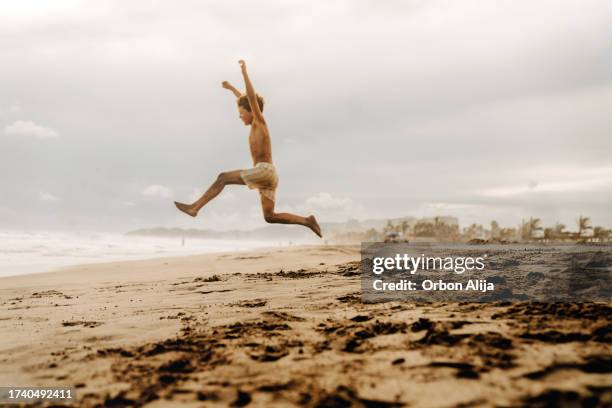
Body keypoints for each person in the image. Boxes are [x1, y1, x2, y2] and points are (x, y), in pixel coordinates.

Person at [174, 60, 322, 238]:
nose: (239, 116)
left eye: (242, 113)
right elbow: (243, 100)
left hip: (264, 170)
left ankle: (194, 208)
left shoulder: (259, 123)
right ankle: (307, 221)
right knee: (269, 216)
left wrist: (244, 73)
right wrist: (231, 89)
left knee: (223, 178)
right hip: (270, 176)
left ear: (252, 111)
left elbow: (250, 99)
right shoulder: (254, 124)